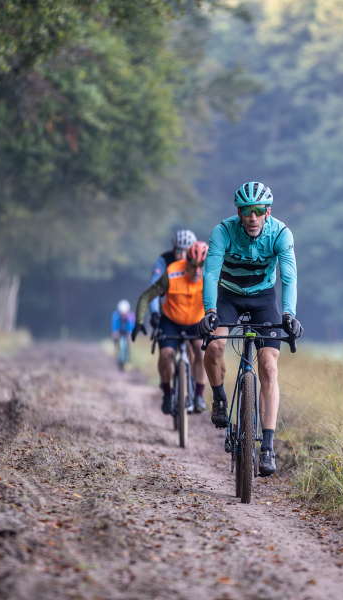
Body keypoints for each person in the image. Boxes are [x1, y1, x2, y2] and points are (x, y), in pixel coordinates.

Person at [199, 182, 302, 477]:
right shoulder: (223, 231)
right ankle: (219, 396)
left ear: (268, 212)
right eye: (247, 211)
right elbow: (210, 272)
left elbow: (289, 278)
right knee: (215, 345)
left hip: (264, 298)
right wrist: (210, 311)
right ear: (239, 212)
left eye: (259, 211)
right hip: (228, 295)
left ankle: (267, 446)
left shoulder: (281, 234)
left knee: (269, 367)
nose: (253, 217)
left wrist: (289, 314)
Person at [132, 242, 209, 415]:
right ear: (186, 262)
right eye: (193, 266)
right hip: (171, 320)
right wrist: (139, 321)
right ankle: (167, 393)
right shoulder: (172, 272)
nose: (197, 271)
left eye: (201, 267)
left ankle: (198, 395)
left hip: (196, 321)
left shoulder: (211, 274)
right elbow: (146, 297)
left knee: (201, 351)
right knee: (166, 355)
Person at [110, 299, 135, 369]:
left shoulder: (130, 316)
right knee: (117, 342)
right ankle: (116, 354)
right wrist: (115, 332)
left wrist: (130, 334)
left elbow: (131, 326)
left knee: (128, 345)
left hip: (126, 332)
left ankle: (127, 360)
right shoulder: (116, 315)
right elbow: (115, 325)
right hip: (119, 332)